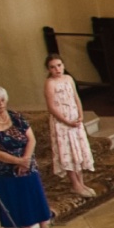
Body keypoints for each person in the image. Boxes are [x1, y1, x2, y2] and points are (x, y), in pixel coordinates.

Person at [0, 87, 52, 228]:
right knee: (19, 199)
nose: (0, 104)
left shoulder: (16, 117)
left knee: (35, 194)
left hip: (27, 162)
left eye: (2, 100)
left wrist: (25, 160)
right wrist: (18, 161)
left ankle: (45, 227)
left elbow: (31, 139)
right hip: (5, 170)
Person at [40, 55, 95, 198]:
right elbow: (51, 106)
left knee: (78, 150)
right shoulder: (50, 83)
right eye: (53, 67)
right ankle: (75, 184)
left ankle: (81, 182)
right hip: (62, 122)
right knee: (67, 151)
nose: (57, 69)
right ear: (49, 69)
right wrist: (66, 121)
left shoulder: (69, 79)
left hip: (74, 119)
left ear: (63, 65)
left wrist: (81, 115)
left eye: (59, 65)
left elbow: (76, 97)